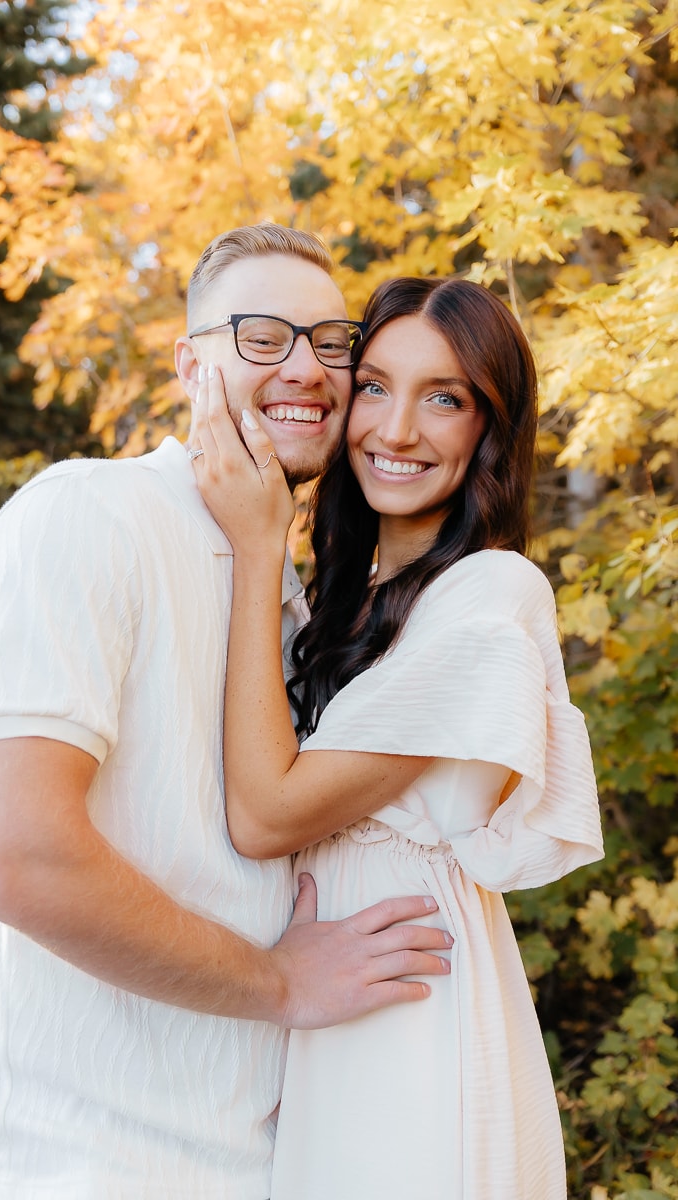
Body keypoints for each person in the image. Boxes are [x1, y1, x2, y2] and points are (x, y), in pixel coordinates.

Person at [0, 227, 454, 1200]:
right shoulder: (86, 513)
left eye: (331, 342)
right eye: (261, 336)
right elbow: (14, 856)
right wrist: (281, 984)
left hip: (264, 1166)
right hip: (93, 1171)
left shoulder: (291, 592)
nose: (306, 368)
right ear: (189, 365)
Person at [191, 274, 604, 1200]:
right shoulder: (357, 602)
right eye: (374, 386)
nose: (397, 429)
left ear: (490, 431)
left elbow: (266, 814)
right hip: (343, 997)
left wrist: (257, 545)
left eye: (445, 399)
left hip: (412, 1003)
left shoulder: (491, 594)